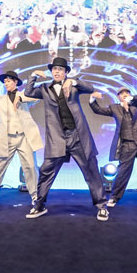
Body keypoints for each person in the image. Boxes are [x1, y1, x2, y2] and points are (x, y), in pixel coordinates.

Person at [24, 57, 109, 221]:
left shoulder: (74, 86)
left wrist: (73, 81)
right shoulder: (44, 88)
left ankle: (102, 206)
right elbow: (28, 92)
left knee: (91, 171)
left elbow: (90, 87)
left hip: (77, 137)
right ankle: (39, 206)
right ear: (51, 72)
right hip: (57, 138)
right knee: (46, 172)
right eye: (54, 69)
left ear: (65, 72)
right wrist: (33, 75)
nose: (57, 72)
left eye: (60, 69)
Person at [89, 87, 137, 208]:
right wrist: (92, 98)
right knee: (123, 172)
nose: (124, 95)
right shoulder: (114, 108)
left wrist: (130, 100)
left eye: (127, 93)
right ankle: (114, 197)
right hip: (127, 144)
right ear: (118, 97)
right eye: (122, 93)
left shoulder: (136, 105)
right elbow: (98, 110)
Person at [0, 70, 42, 206]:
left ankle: (35, 195)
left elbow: (35, 98)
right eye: (5, 82)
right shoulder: (0, 100)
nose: (6, 83)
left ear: (15, 82)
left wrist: (21, 98)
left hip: (23, 137)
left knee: (31, 167)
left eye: (8, 81)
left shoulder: (23, 95)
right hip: (7, 138)